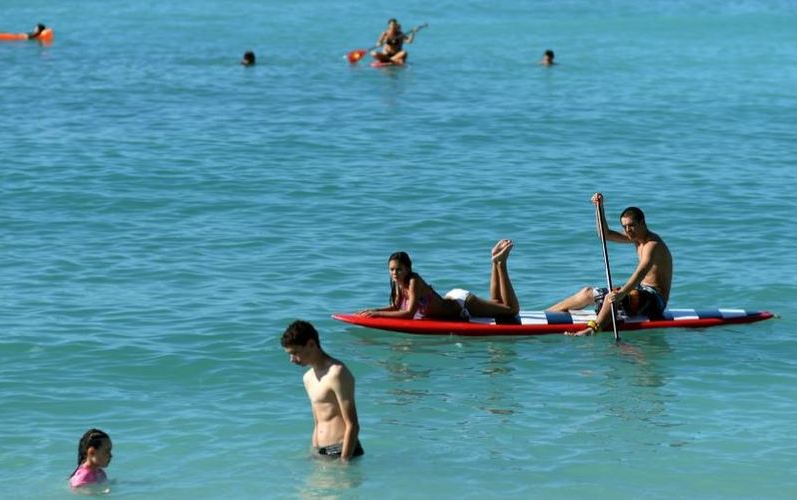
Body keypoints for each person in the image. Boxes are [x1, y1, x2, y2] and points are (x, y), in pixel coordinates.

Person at [548, 193, 673, 336]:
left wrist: (622, 293)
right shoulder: (636, 238)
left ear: (642, 222)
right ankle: (548, 313)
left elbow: (642, 270)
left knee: (612, 296)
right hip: (640, 291)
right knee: (588, 293)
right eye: (625, 227)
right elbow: (605, 234)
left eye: (631, 226)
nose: (627, 230)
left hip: (656, 300)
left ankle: (593, 329)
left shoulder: (652, 244)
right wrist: (599, 208)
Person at [357, 239, 521, 321]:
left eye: (398, 269)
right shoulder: (400, 283)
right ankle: (495, 261)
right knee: (496, 302)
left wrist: (377, 314)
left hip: (462, 305)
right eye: (391, 269)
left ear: (408, 269)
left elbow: (409, 313)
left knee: (511, 310)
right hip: (453, 299)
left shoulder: (413, 281)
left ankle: (501, 263)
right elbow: (395, 307)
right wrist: (373, 310)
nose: (394, 273)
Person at [281, 320, 363, 461]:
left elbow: (353, 424)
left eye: (295, 353)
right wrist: (315, 452)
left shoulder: (337, 373)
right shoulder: (308, 377)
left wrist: (345, 462)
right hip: (322, 451)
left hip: (341, 449)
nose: (292, 360)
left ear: (311, 344)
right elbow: (318, 420)